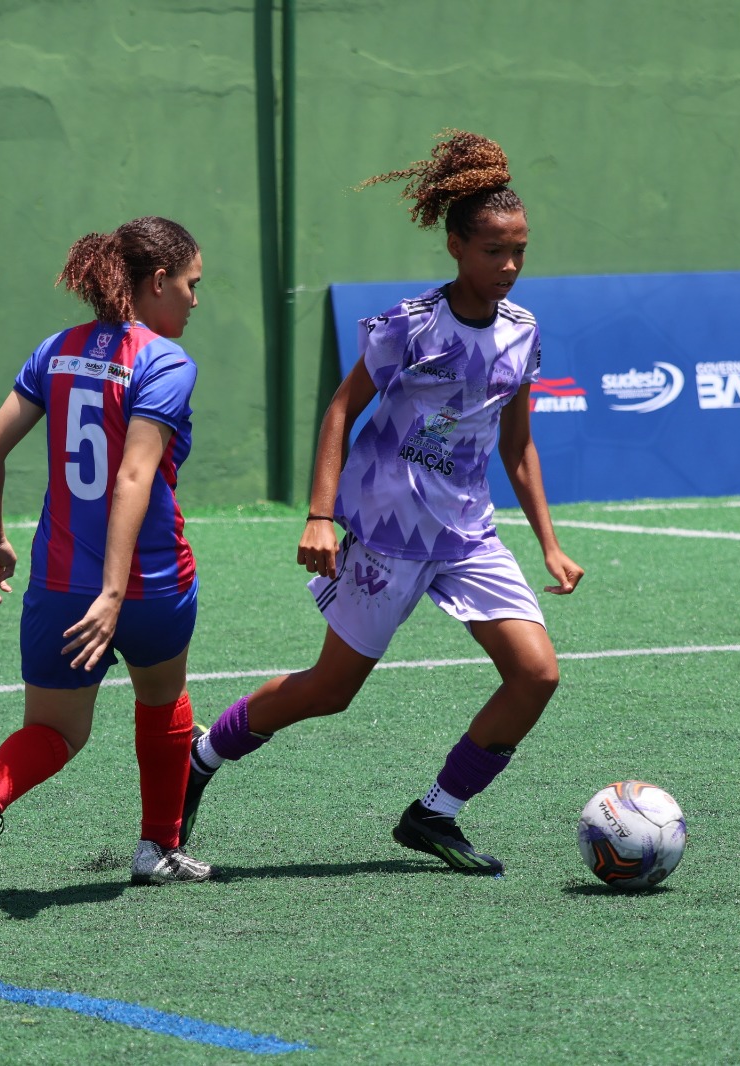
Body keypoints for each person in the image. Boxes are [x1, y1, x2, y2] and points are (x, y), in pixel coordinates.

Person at [180, 131, 585, 875]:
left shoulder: (523, 335)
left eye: (520, 250)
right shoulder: (410, 326)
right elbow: (341, 409)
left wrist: (549, 543)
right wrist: (318, 515)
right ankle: (201, 757)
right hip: (387, 537)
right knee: (331, 691)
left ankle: (435, 813)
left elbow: (517, 445)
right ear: (456, 245)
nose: (511, 266)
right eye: (495, 250)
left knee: (537, 675)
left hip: (468, 538)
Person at [0, 217, 215, 902]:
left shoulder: (56, 351)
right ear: (158, 281)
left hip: (61, 584)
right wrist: (117, 593)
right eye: (191, 284)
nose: (194, 300)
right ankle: (159, 847)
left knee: (55, 730)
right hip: (148, 584)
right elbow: (133, 477)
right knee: (162, 701)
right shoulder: (165, 361)